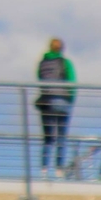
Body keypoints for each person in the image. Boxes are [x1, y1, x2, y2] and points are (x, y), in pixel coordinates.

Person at [34, 39, 75, 175]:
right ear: (62, 49)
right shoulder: (65, 62)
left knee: (48, 137)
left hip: (46, 101)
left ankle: (44, 168)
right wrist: (71, 99)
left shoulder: (42, 63)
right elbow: (72, 81)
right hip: (62, 101)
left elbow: (39, 80)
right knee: (61, 137)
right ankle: (59, 168)